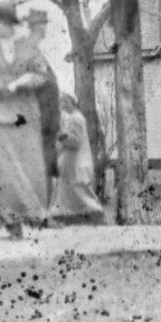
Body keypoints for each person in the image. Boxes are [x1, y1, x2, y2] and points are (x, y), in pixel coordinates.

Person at [0, 1, 51, 239]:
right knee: (1, 168)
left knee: (29, 164)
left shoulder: (28, 47)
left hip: (24, 112)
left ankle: (34, 215)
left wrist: (21, 82)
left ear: (9, 23)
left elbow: (42, 74)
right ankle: (10, 223)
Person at [51, 93, 106, 225]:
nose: (62, 106)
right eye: (61, 103)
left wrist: (60, 134)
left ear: (72, 101)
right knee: (70, 192)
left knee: (80, 191)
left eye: (64, 102)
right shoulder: (72, 118)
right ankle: (69, 217)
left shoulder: (76, 119)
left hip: (76, 163)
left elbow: (76, 142)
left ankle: (94, 215)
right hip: (69, 163)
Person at [25, 9, 61, 204]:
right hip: (39, 118)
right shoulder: (29, 50)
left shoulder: (37, 51)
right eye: (42, 24)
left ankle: (42, 211)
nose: (45, 28)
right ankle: (40, 213)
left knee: (46, 163)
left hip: (48, 119)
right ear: (36, 27)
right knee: (41, 164)